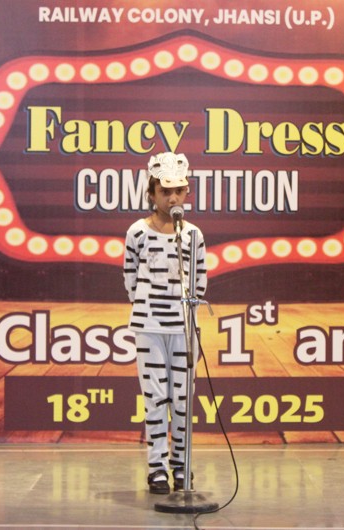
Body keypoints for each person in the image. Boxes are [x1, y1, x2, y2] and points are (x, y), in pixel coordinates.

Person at [123, 152, 207, 494]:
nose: (172, 198)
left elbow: (200, 280)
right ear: (152, 193)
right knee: (155, 398)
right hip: (149, 326)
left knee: (183, 399)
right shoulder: (137, 232)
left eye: (178, 191)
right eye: (165, 191)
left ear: (186, 192)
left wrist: (187, 315)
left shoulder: (193, 234)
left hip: (183, 328)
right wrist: (147, 307)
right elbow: (130, 277)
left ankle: (182, 466)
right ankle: (156, 468)